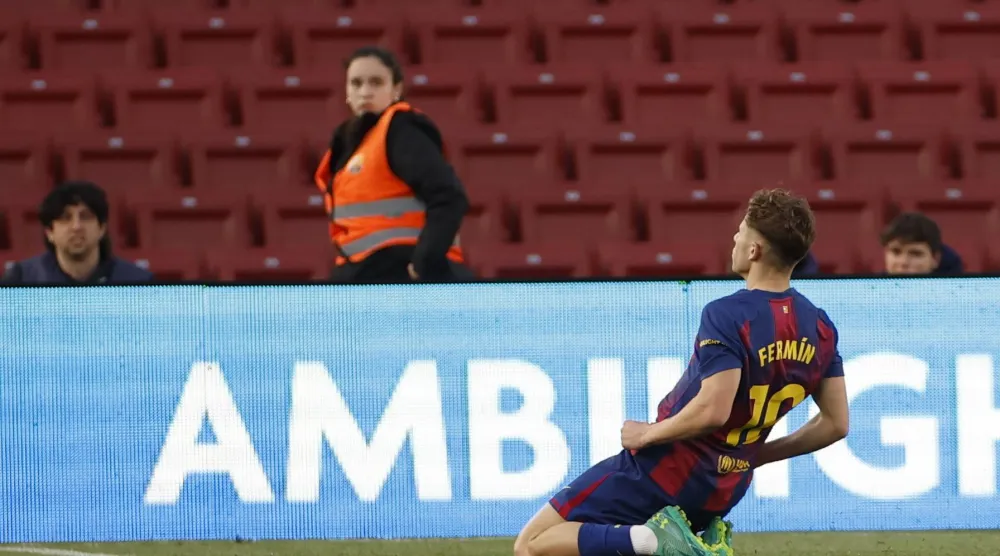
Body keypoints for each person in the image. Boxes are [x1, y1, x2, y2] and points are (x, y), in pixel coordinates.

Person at [514, 189, 850, 556]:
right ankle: (655, 544)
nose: (735, 240)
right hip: (727, 486)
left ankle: (651, 539)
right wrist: (760, 454)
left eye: (741, 232)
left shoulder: (729, 314)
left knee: (532, 544)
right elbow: (836, 424)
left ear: (754, 250)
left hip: (664, 472)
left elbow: (713, 410)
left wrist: (648, 434)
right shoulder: (820, 328)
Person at [314, 46, 472, 284]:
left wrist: (423, 263)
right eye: (356, 84)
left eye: (376, 83)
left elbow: (449, 196)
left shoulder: (401, 130)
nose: (365, 92)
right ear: (346, 91)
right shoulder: (349, 143)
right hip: (363, 271)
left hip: (402, 275)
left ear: (396, 89)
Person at [1, 181, 153, 285]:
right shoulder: (20, 279)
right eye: (65, 218)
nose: (76, 226)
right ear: (49, 232)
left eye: (85, 217)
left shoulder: (138, 281)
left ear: (102, 228)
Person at [880, 212, 964, 275]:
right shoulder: (870, 293)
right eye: (896, 252)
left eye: (916, 254)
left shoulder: (963, 296)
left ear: (935, 260)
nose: (903, 262)